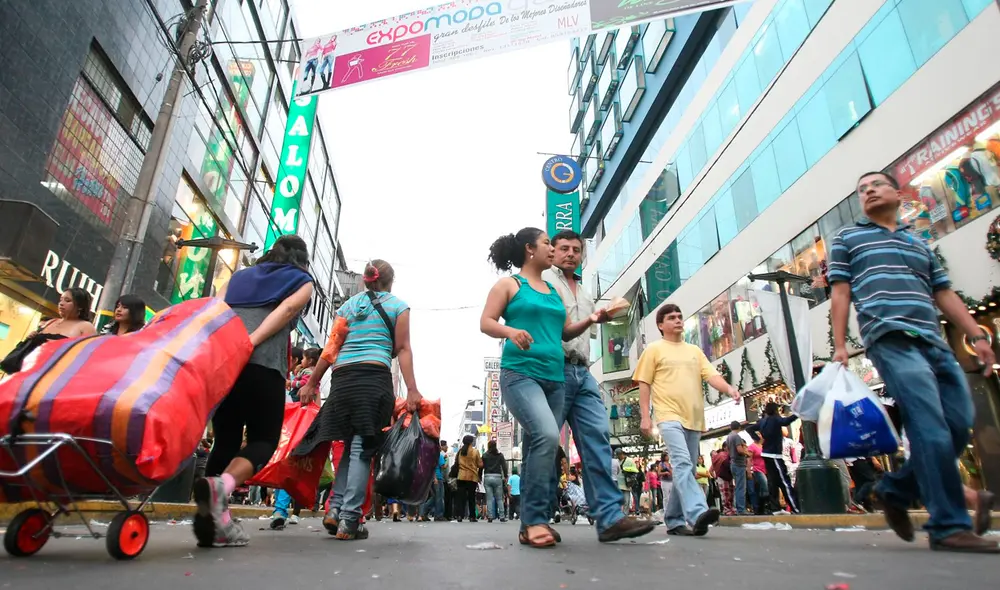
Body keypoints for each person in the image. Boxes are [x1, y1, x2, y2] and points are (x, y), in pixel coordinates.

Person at [830, 170, 999, 553]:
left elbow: (944, 293)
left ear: (896, 192)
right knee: (930, 427)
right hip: (890, 340)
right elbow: (840, 293)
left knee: (958, 426)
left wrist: (976, 335)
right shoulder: (848, 238)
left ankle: (894, 488)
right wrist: (840, 345)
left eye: (876, 185)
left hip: (935, 344)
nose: (868, 191)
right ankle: (949, 526)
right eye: (862, 189)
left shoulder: (917, 242)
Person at [479, 227, 599, 548]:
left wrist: (591, 319)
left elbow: (564, 330)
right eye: (547, 243)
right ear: (531, 249)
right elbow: (486, 321)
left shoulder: (551, 289)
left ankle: (533, 519)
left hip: (554, 379)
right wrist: (510, 330)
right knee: (546, 435)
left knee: (540, 448)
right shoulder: (510, 284)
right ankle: (533, 521)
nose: (553, 248)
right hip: (520, 374)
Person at [193, 235, 314, 548]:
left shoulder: (239, 277)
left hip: (225, 364)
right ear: (302, 259)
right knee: (264, 440)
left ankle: (212, 522)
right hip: (262, 367)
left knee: (226, 440)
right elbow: (287, 310)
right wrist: (253, 340)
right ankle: (224, 487)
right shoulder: (302, 280)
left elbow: (214, 309)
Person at [294, 259, 421, 541]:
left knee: (350, 444)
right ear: (390, 282)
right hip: (373, 378)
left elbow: (330, 349)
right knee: (362, 449)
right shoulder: (398, 306)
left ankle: (336, 509)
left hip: (343, 380)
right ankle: (350, 519)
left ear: (365, 280)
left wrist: (313, 382)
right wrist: (412, 389)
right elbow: (402, 349)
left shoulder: (347, 307)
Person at [541, 230, 655, 541]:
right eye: (563, 248)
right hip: (554, 369)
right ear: (551, 250)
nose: (570, 254)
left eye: (576, 250)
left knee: (598, 439)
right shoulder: (545, 281)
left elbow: (585, 332)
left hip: (583, 372)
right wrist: (594, 318)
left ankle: (609, 518)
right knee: (545, 446)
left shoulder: (586, 291)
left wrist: (602, 316)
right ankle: (537, 518)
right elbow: (558, 330)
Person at [636, 303, 740, 536]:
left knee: (688, 469)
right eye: (671, 317)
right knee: (682, 464)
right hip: (668, 416)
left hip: (694, 418)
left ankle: (673, 519)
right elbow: (644, 383)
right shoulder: (653, 350)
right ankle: (697, 513)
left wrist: (729, 389)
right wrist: (645, 416)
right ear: (661, 325)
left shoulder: (694, 351)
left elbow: (712, 376)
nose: (678, 320)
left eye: (680, 316)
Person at [1, 288, 98, 376]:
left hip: (52, 378)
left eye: (67, 301)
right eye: (61, 300)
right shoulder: (50, 322)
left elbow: (88, 359)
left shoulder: (86, 327)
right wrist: (31, 338)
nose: (61, 303)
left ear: (80, 306)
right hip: (24, 372)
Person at [748, 402, 799, 514]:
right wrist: (798, 413)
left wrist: (758, 439)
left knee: (773, 482)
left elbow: (749, 428)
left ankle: (775, 508)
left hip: (766, 454)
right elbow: (786, 421)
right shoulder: (775, 419)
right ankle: (795, 507)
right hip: (775, 454)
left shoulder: (762, 421)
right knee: (784, 481)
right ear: (776, 410)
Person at [455, 435, 482, 522]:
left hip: (461, 476)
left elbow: (457, 463)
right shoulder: (475, 452)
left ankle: (459, 516)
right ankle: (472, 516)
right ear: (471, 442)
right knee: (471, 498)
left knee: (460, 498)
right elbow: (480, 464)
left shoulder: (460, 452)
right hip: (472, 477)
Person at [726, 421, 750, 516]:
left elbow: (728, 450)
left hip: (733, 463)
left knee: (737, 487)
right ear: (739, 427)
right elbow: (739, 450)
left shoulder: (728, 437)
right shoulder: (736, 436)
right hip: (739, 464)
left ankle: (737, 508)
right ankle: (741, 509)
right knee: (741, 487)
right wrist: (747, 453)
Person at [482, 440, 508, 523]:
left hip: (487, 476)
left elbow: (481, 467)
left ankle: (490, 517)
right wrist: (506, 475)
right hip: (497, 477)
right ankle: (502, 516)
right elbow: (504, 466)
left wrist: (479, 476)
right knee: (499, 498)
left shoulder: (485, 455)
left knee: (489, 499)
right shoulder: (500, 455)